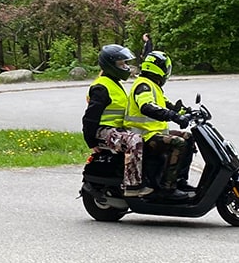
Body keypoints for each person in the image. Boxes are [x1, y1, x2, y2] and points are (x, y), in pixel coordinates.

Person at [82, 44, 151, 197]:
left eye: (125, 63)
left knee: (152, 138)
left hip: (118, 129)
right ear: (110, 65)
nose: (126, 67)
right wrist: (91, 141)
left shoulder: (114, 83)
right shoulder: (101, 87)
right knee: (134, 141)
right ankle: (133, 186)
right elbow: (90, 118)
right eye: (121, 64)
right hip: (104, 131)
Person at [125, 51, 194, 201]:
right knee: (178, 143)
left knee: (188, 137)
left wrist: (185, 112)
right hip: (144, 135)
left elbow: (166, 105)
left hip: (153, 133)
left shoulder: (152, 85)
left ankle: (179, 180)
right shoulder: (143, 85)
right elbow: (147, 106)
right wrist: (174, 116)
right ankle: (167, 189)